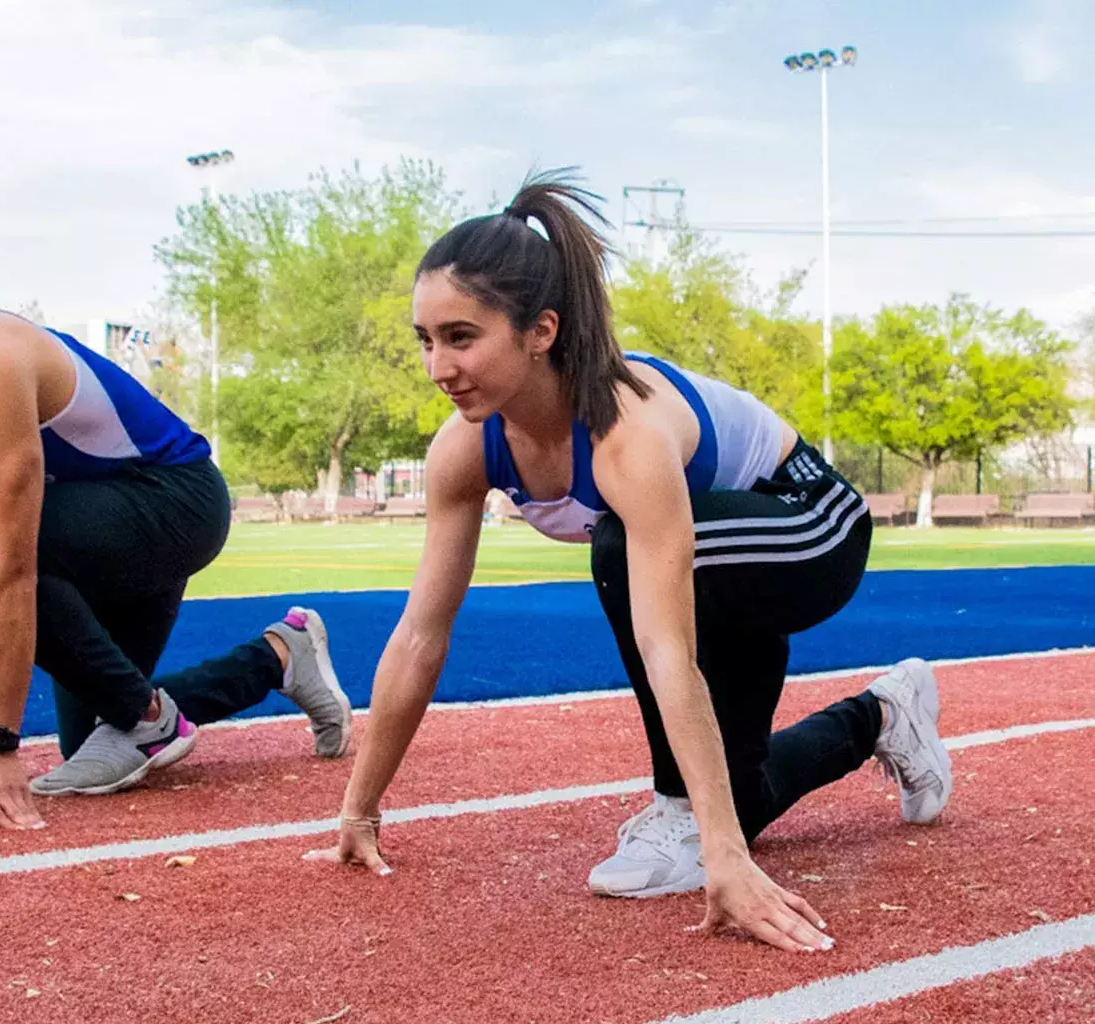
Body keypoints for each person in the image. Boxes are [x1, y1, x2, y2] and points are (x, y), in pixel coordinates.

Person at [306, 171, 953, 954]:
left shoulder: (625, 433)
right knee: (738, 798)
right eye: (427, 339)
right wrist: (359, 811)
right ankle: (887, 714)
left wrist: (721, 857)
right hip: (720, 573)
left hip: (811, 530)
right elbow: (420, 636)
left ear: (541, 330)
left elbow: (665, 646)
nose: (438, 366)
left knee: (620, 556)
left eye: (462, 337)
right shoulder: (463, 449)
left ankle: (680, 810)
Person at [0, 191, 353, 829]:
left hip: (173, 501)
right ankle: (277, 655)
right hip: (90, 532)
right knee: (103, 741)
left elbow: (10, 560)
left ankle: (151, 718)